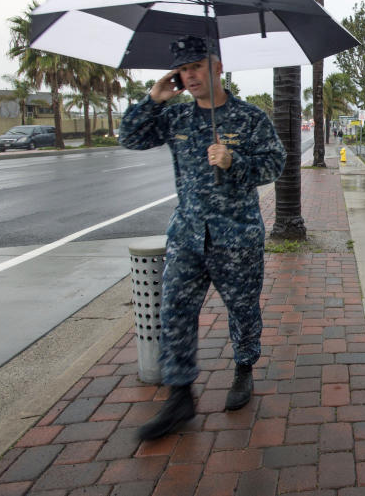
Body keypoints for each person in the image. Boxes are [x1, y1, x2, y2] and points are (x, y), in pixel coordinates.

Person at [119, 35, 286, 440]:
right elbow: (130, 137)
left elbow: (274, 163)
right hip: (188, 235)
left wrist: (234, 162)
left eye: (196, 66)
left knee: (243, 310)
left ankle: (243, 369)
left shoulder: (250, 117)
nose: (188, 75)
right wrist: (154, 98)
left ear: (217, 67)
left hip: (237, 235)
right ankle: (180, 397)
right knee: (175, 311)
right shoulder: (176, 118)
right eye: (182, 69)